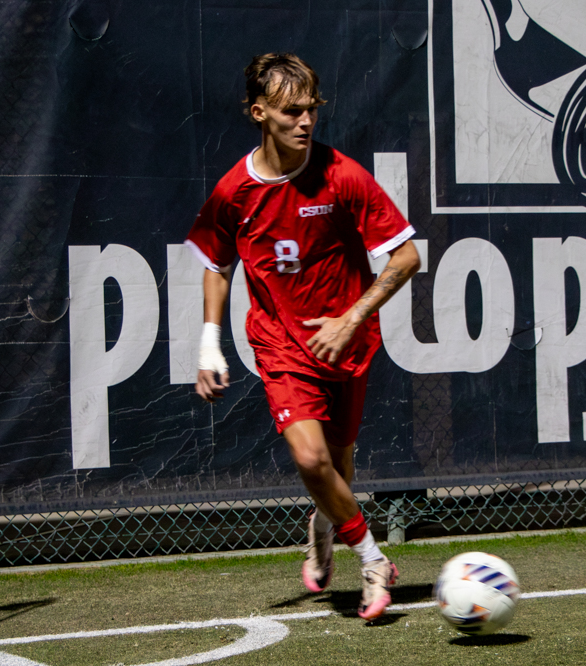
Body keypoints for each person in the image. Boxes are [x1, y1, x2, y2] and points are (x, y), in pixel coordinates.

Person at [185, 52, 421, 621]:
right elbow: (217, 267)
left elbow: (407, 257)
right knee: (311, 459)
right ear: (259, 112)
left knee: (337, 468)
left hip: (347, 345)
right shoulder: (234, 192)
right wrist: (209, 343)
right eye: (291, 111)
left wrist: (351, 317)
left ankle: (325, 524)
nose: (305, 121)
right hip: (280, 345)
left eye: (311, 109)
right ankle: (372, 560)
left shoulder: (343, 176)